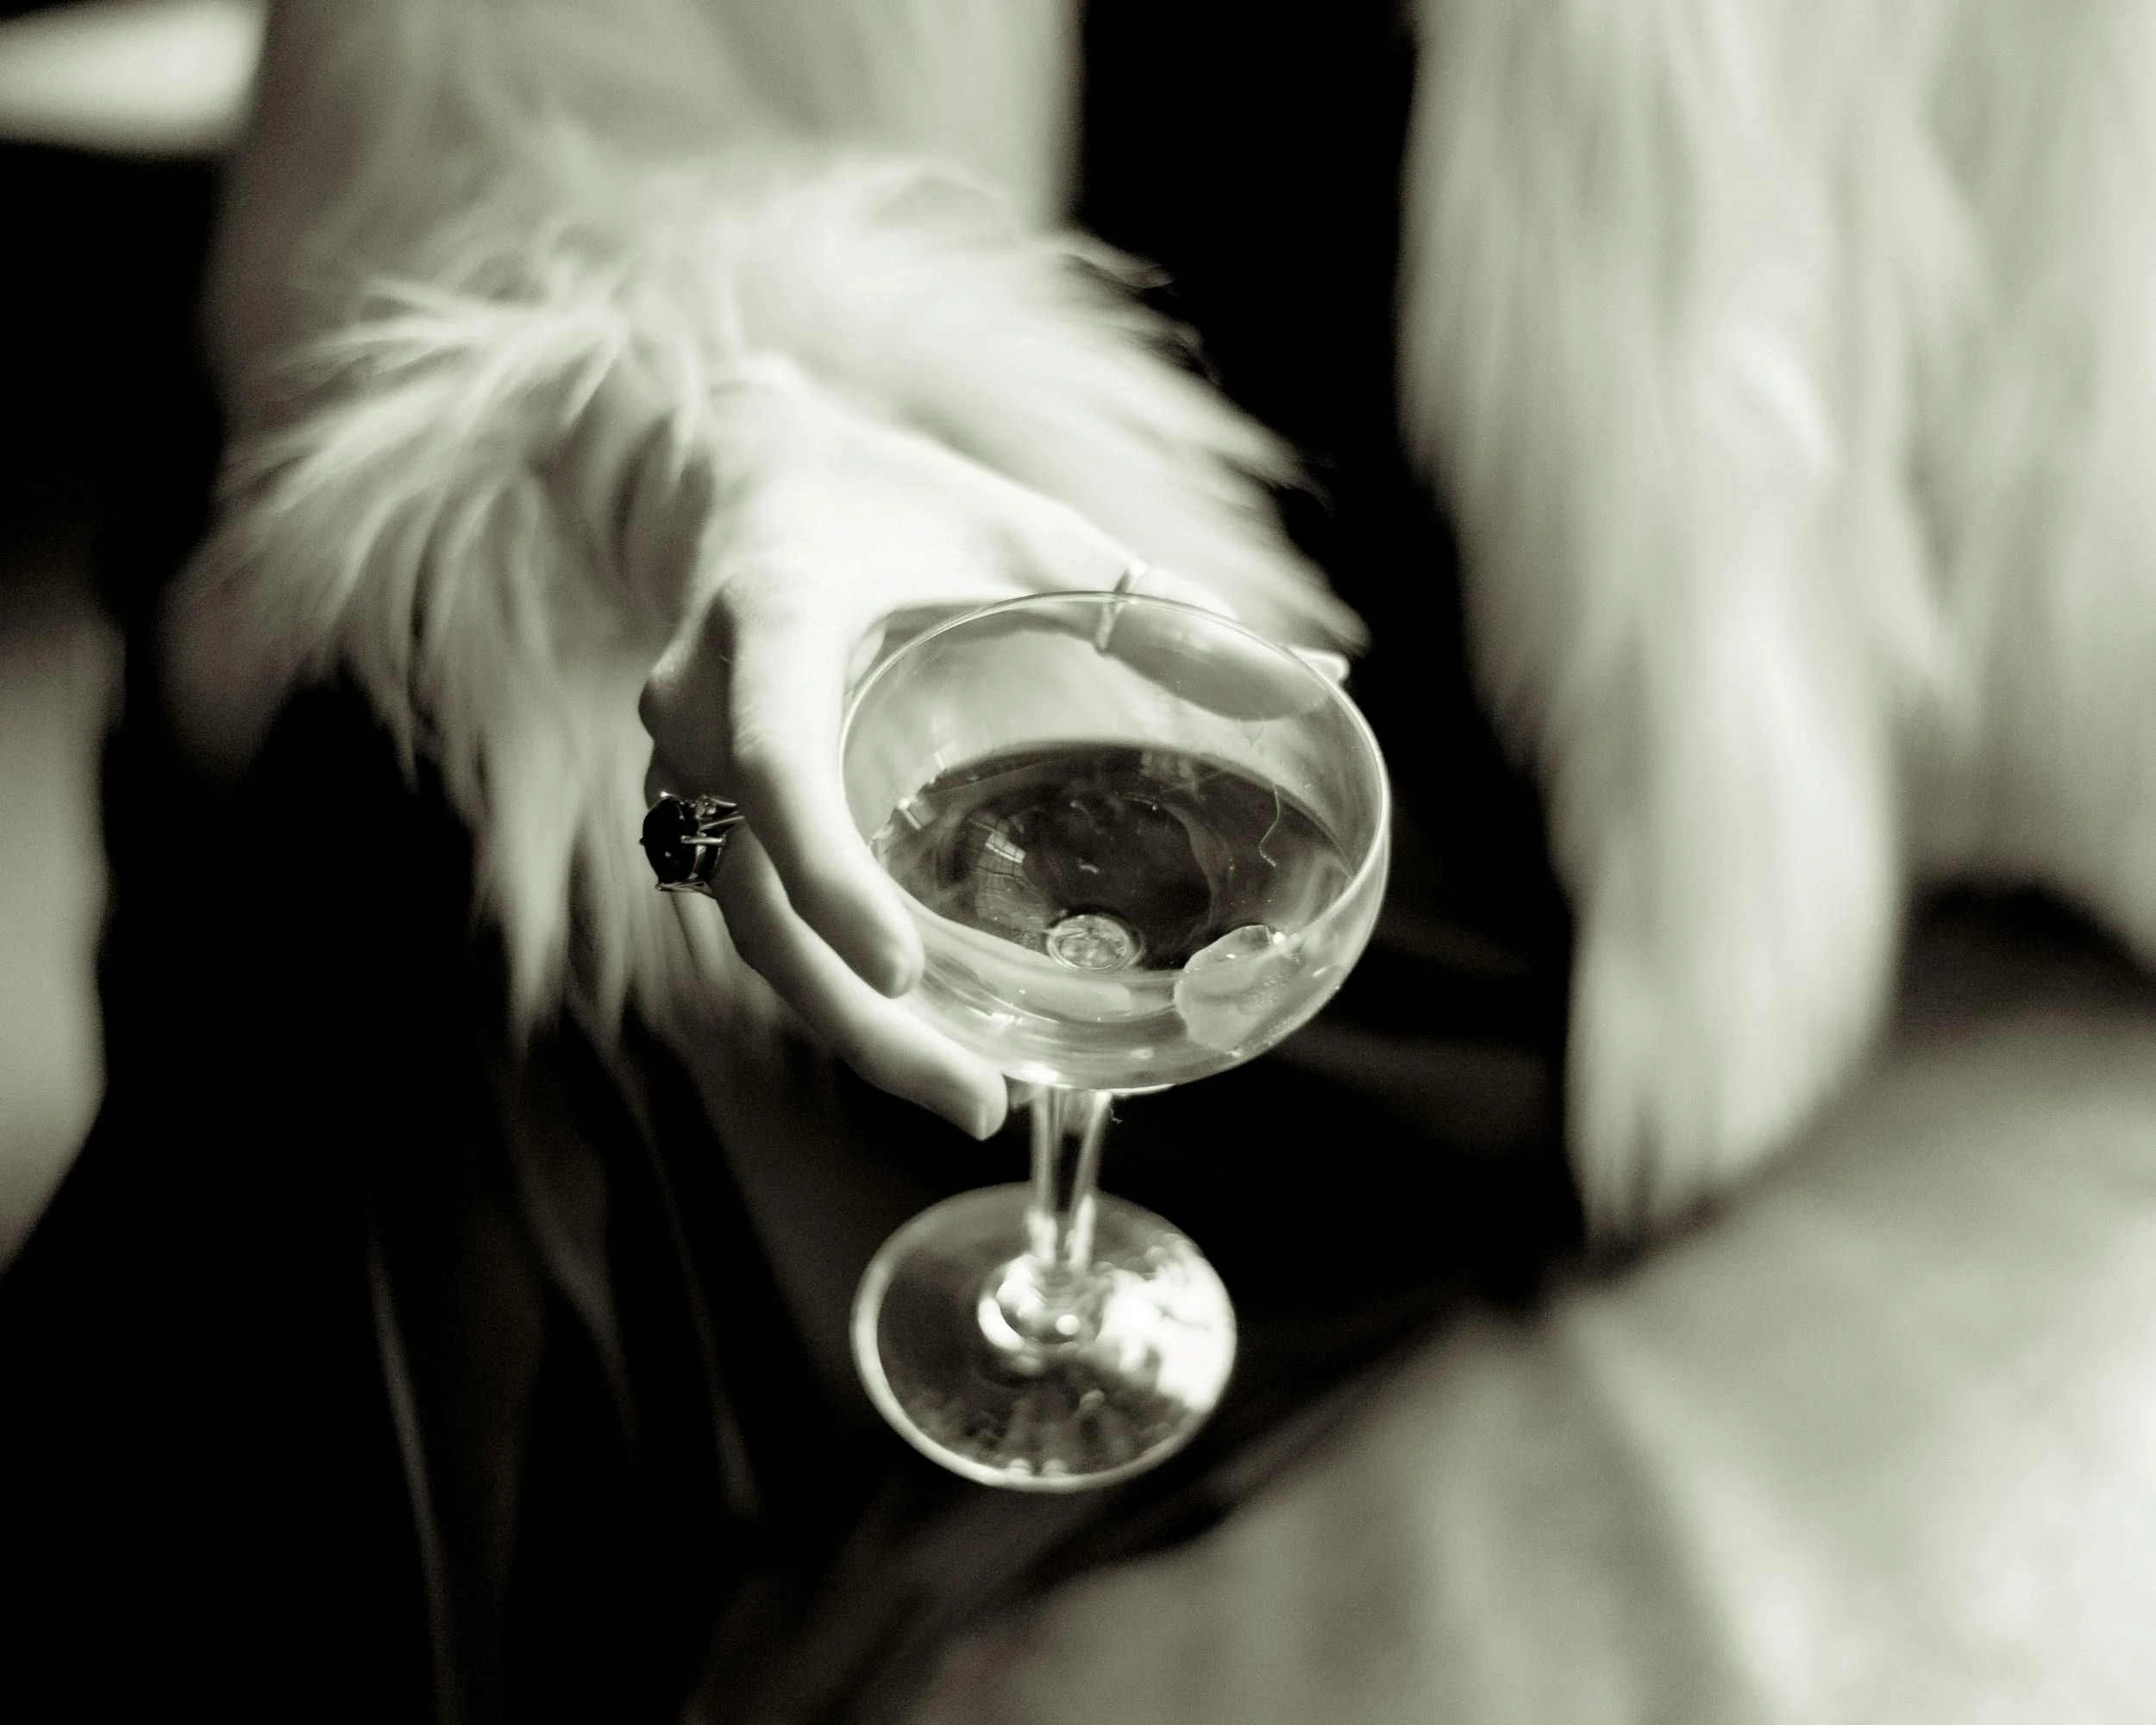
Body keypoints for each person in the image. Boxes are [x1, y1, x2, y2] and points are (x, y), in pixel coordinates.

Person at [1, 5, 1573, 1722]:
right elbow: (454, 237)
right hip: (833, 607)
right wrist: (698, 425)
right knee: (369, 1074)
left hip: (1499, 825)